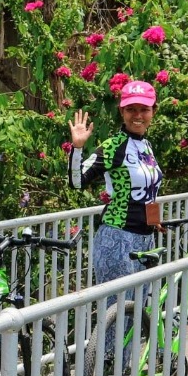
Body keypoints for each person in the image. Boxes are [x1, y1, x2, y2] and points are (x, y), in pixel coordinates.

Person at [66, 78, 164, 289]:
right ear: (122, 112)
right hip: (118, 239)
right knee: (118, 314)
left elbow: (150, 190)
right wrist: (77, 148)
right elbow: (76, 183)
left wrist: (153, 220)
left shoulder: (146, 146)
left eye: (144, 109)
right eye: (131, 109)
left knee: (138, 313)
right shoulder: (113, 147)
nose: (138, 115)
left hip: (146, 240)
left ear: (153, 111)